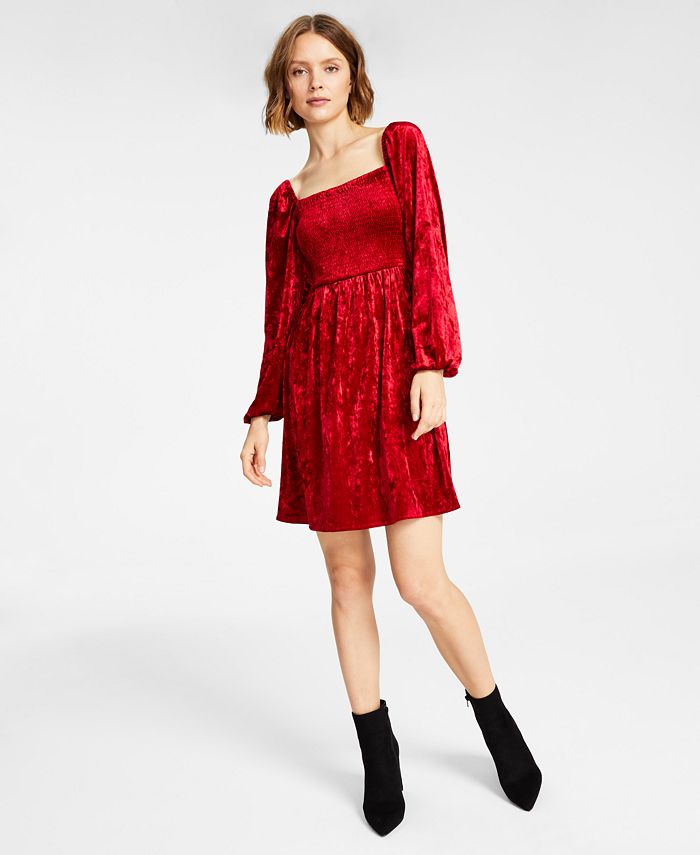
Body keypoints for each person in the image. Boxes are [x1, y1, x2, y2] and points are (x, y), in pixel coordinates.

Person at [240, 14, 542, 836]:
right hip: (321, 395)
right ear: (284, 88)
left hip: (398, 383)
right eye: (298, 71)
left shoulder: (399, 146)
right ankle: (378, 749)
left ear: (353, 74)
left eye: (328, 67)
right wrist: (264, 410)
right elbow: (281, 316)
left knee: (421, 580)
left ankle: (494, 717)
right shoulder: (286, 201)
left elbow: (429, 254)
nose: (315, 83)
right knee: (348, 581)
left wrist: (431, 361)